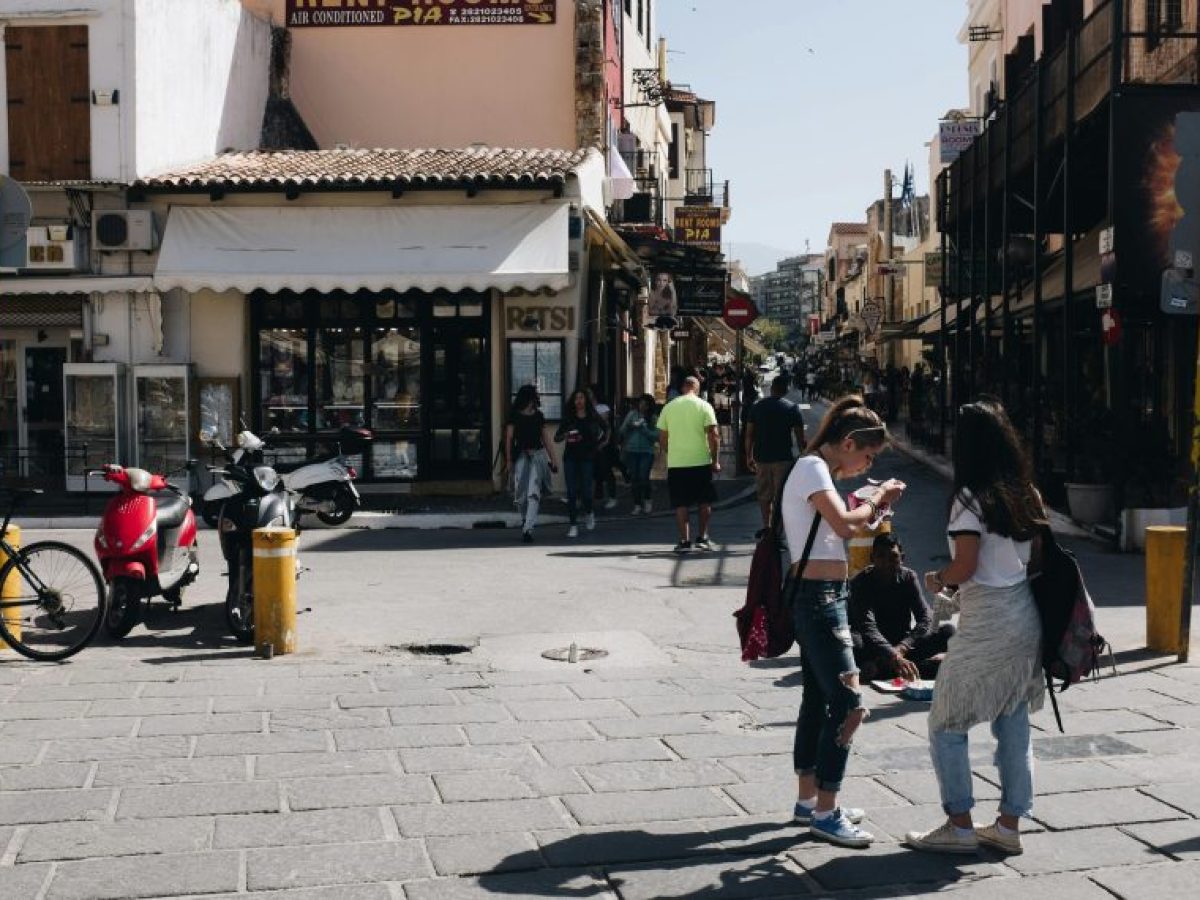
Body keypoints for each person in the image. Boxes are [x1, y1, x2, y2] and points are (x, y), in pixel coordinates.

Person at [904, 397, 1046, 857]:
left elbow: (964, 566)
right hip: (1024, 617)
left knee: (946, 721)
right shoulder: (1026, 493)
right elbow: (1035, 559)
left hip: (987, 622)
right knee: (1013, 723)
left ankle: (960, 824)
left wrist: (937, 579)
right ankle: (1008, 825)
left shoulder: (969, 499)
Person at [780, 396, 905, 848]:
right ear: (848, 442)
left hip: (824, 594)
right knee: (850, 704)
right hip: (819, 599)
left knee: (817, 699)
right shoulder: (813, 468)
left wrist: (875, 506)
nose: (866, 465)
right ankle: (826, 812)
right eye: (867, 456)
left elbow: (841, 528)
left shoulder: (815, 471)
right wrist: (878, 497)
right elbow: (847, 526)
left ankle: (809, 801)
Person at [849, 534, 955, 680]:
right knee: (852, 642)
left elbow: (925, 618)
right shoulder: (860, 583)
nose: (887, 563)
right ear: (872, 558)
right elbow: (868, 627)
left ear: (902, 558)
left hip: (902, 645)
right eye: (881, 556)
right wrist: (893, 654)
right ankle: (909, 668)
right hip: (872, 647)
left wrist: (902, 647)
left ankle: (886, 669)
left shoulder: (908, 577)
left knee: (948, 631)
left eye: (893, 557)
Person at [657, 375, 720, 553]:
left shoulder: (669, 407)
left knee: (681, 503)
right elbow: (714, 436)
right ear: (696, 388)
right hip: (700, 461)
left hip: (677, 463)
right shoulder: (704, 406)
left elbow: (662, 437)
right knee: (704, 501)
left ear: (683, 387)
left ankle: (684, 541)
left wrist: (671, 451)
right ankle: (703, 538)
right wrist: (715, 460)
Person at [745, 374, 806, 534]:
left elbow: (749, 435)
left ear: (771, 388)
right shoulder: (792, 408)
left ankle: (767, 526)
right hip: (783, 459)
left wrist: (748, 456)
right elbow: (801, 439)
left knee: (764, 495)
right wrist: (804, 457)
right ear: (786, 390)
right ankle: (777, 531)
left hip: (761, 458)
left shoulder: (757, 407)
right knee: (782, 496)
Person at [504, 385, 558, 543]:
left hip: (537, 456)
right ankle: (525, 519)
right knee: (521, 494)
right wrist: (509, 460)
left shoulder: (539, 416)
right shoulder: (514, 416)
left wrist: (553, 459)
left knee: (533, 493)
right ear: (528, 398)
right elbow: (509, 439)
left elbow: (546, 439)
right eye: (534, 396)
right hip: (521, 456)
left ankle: (528, 528)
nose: (536, 399)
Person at [554, 389, 606, 538]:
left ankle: (589, 512)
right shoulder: (569, 418)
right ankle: (573, 525)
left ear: (586, 400)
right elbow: (556, 438)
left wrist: (599, 445)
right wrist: (566, 435)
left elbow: (605, 429)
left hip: (587, 457)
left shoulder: (592, 416)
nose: (579, 401)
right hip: (570, 457)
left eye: (581, 397)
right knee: (571, 492)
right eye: (576, 398)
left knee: (586, 491)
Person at [619, 394, 659, 514]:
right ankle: (637, 504)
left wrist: (644, 429)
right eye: (641, 403)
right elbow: (622, 430)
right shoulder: (632, 414)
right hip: (632, 450)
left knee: (643, 477)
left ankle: (647, 499)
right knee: (634, 478)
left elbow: (656, 435)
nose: (642, 406)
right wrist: (630, 426)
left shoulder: (653, 417)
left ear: (649, 406)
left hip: (646, 451)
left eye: (645, 404)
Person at [588, 386, 619, 510]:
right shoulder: (587, 407)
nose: (588, 395)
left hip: (603, 443)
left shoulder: (603, 407)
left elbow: (605, 425)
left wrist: (606, 441)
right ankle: (596, 495)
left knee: (606, 469)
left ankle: (612, 496)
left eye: (589, 392)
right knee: (593, 470)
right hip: (591, 443)